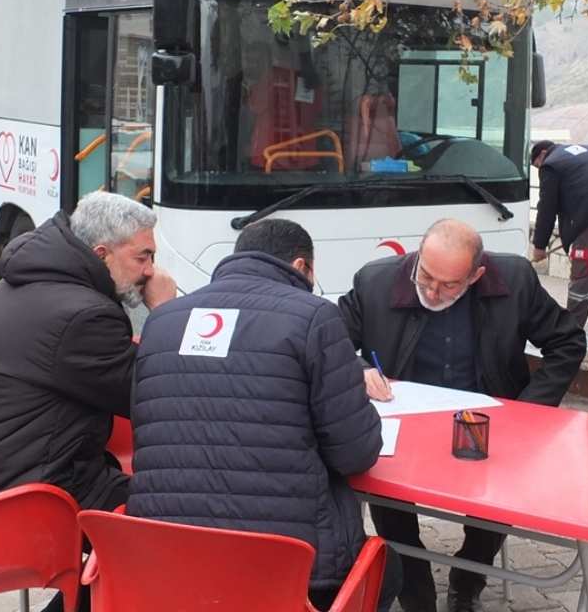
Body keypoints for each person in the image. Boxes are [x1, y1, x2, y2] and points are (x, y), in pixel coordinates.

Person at [128, 219, 400, 611]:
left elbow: (149, 426)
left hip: (167, 560)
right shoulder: (315, 317)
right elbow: (355, 453)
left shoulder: (162, 321)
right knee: (389, 571)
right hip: (290, 568)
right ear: (302, 266)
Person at [338, 219, 586, 612]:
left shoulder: (515, 281)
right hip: (406, 421)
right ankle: (415, 589)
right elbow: (327, 345)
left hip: (488, 419)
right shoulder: (375, 282)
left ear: (477, 276)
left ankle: (468, 576)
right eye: (426, 277)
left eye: (449, 285)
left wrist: (528, 411)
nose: (433, 292)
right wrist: (358, 370)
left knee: (502, 495)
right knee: (382, 489)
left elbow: (567, 341)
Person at [0, 191, 176, 612]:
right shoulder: (85, 313)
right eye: (142, 258)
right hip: (35, 498)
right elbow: (157, 394)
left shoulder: (22, 283)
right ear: (101, 253)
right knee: (177, 521)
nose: (151, 272)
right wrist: (166, 314)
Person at [529, 139, 588, 328]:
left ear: (543, 154)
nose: (540, 169)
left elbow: (547, 208)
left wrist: (539, 246)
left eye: (537, 165)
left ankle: (570, 334)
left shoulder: (551, 165)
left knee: (582, 277)